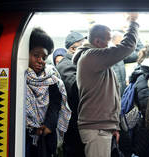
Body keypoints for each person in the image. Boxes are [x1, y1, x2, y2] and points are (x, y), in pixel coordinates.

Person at [76, 13, 139, 157]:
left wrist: (113, 126)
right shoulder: (91, 56)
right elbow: (127, 47)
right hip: (97, 127)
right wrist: (133, 22)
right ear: (98, 41)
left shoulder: (95, 59)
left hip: (102, 126)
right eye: (109, 40)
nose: (110, 45)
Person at [25, 27, 71, 157]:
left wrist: (49, 125)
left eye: (44, 57)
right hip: (24, 136)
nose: (41, 61)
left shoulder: (51, 78)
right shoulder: (18, 78)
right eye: (36, 55)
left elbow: (56, 103)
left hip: (45, 134)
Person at [55, 33, 86, 157]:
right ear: (73, 49)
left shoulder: (76, 64)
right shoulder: (65, 65)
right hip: (74, 123)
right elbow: (77, 90)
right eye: (84, 48)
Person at [111, 31, 144, 96]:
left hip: (120, 93)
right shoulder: (104, 55)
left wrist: (135, 36)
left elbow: (138, 53)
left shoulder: (120, 54)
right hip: (111, 95)